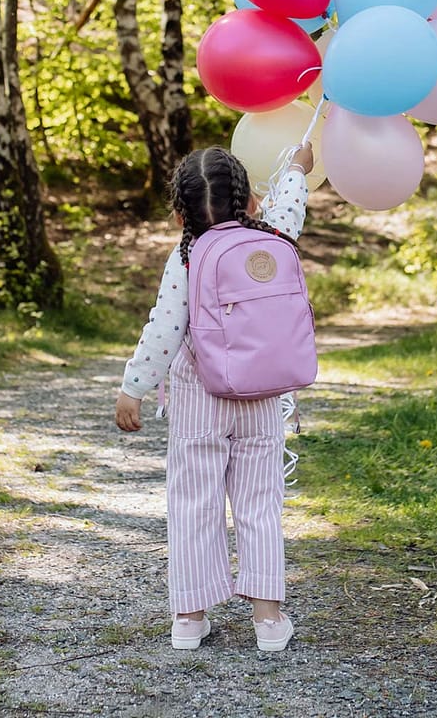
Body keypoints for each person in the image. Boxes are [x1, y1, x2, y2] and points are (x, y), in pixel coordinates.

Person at [115, 142, 314, 652]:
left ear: (179, 213)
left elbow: (164, 327)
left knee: (194, 505)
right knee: (259, 505)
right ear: (250, 203)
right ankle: (268, 621)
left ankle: (189, 617)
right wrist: (295, 166)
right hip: (262, 397)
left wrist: (134, 387)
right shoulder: (271, 237)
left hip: (199, 397)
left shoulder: (186, 256)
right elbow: (290, 202)